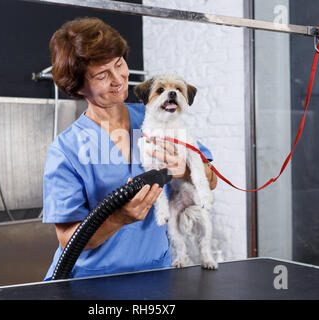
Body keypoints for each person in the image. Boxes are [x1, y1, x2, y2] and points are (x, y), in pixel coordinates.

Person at [43, 17, 217, 280]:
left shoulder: (156, 117)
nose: (119, 79)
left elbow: (211, 180)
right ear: (79, 87)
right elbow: (69, 238)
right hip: (93, 281)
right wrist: (118, 218)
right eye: (102, 75)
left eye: (119, 64)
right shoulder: (67, 150)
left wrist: (185, 170)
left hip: (156, 274)